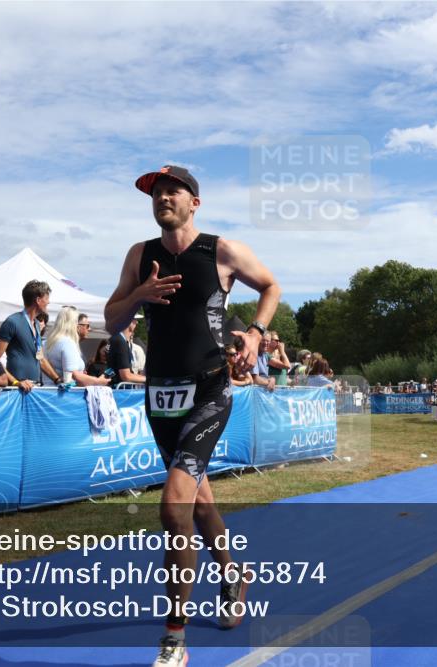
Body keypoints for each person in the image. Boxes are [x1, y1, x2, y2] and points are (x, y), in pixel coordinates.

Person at [104, 164, 280, 667]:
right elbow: (112, 319)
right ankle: (233, 573)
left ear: (193, 202)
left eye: (172, 191)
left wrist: (255, 334)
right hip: (161, 394)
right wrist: (138, 296)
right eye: (156, 193)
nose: (162, 198)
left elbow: (270, 286)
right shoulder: (139, 255)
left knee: (174, 505)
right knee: (199, 503)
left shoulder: (221, 250)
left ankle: (175, 638)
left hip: (209, 389)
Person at [44, 306, 111, 387]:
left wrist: (83, 376)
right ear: (73, 324)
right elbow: (73, 376)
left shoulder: (48, 342)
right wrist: (98, 381)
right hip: (64, 392)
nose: (89, 329)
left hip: (49, 389)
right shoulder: (67, 342)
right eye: (77, 322)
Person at [108, 315, 147, 387]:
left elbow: (109, 368)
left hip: (116, 388)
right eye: (134, 320)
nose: (137, 322)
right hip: (121, 391)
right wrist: (148, 379)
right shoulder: (120, 342)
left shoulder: (114, 338)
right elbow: (126, 376)